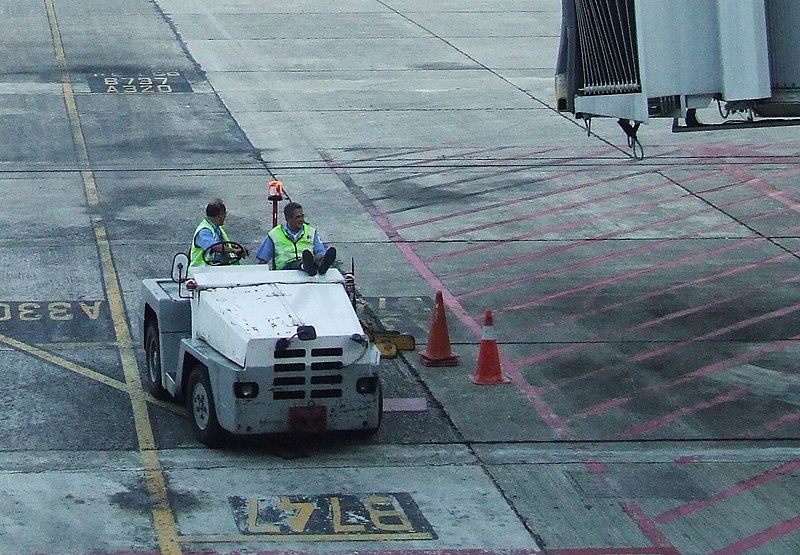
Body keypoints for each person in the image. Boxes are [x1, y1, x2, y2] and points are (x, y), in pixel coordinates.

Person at [256, 201, 336, 276]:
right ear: (288, 218)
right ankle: (305, 266)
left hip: (309, 265)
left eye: (302, 216)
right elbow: (262, 260)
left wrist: (320, 258)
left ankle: (321, 267)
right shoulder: (274, 234)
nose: (301, 220)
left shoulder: (311, 232)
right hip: (285, 270)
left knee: (318, 258)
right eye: (297, 217)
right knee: (298, 263)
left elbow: (320, 251)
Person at [189, 198, 249, 271]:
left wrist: (237, 248)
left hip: (216, 272)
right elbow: (214, 247)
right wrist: (233, 250)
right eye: (224, 214)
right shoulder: (204, 231)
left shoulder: (216, 229)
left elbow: (223, 244)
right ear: (220, 215)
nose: (225, 217)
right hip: (200, 274)